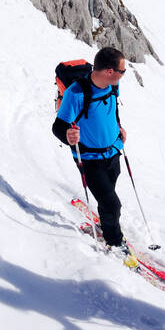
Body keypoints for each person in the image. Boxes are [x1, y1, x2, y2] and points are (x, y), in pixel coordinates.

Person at [53, 46, 129, 252]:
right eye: (122, 71)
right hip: (89, 158)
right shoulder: (75, 93)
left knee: (108, 198)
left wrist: (119, 127)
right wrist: (68, 136)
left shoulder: (113, 86)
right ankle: (115, 242)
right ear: (109, 71)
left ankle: (106, 225)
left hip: (113, 152)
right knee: (113, 204)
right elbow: (58, 126)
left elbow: (113, 109)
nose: (123, 75)